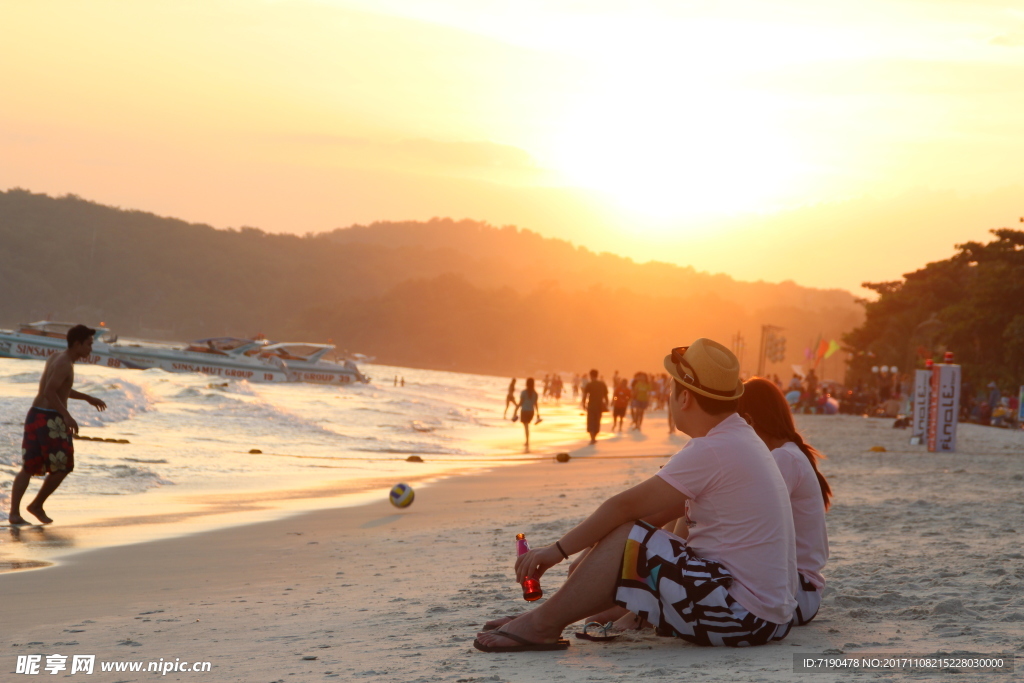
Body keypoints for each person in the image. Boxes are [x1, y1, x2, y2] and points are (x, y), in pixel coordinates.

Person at [474, 339, 796, 652]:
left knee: (632, 535)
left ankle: (542, 624)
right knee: (629, 541)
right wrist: (581, 570)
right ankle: (546, 617)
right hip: (761, 615)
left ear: (683, 399)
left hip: (742, 617)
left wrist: (556, 552)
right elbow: (649, 516)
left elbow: (624, 507)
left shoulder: (713, 449)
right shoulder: (736, 438)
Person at [737, 378, 831, 625]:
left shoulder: (783, 459)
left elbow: (746, 519)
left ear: (749, 419)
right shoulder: (787, 453)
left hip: (796, 592)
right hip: (798, 587)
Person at [8, 324, 108, 525]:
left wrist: (88, 398)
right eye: (88, 344)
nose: (91, 349)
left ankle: (14, 514)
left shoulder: (57, 357)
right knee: (63, 466)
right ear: (77, 344)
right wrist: (66, 415)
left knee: (29, 467)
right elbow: (50, 392)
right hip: (50, 419)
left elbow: (60, 388)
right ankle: (36, 505)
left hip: (35, 415)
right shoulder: (65, 363)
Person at [581, 369, 608, 445]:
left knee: (591, 421)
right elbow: (606, 395)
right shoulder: (602, 384)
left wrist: (583, 403)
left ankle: (592, 438)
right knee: (597, 421)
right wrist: (607, 403)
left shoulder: (590, 384)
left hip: (591, 406)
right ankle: (594, 437)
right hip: (599, 406)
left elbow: (585, 395)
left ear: (591, 376)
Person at [518, 378, 541, 451]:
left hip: (524, 410)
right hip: (531, 411)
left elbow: (521, 402)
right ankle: (527, 440)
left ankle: (527, 441)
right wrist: (538, 414)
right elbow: (536, 404)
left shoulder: (524, 392)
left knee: (526, 426)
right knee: (527, 426)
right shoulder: (535, 393)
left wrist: (515, 410)